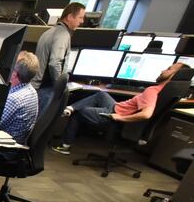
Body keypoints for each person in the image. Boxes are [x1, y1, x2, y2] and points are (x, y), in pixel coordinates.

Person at [52, 62, 189, 155]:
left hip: (115, 115)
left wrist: (120, 117)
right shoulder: (170, 91)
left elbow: (147, 114)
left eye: (169, 69)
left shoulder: (152, 91)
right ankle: (70, 108)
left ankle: (65, 146)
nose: (163, 70)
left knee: (80, 113)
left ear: (174, 75)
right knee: (101, 94)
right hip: (118, 107)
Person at [31, 2, 85, 112]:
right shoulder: (63, 35)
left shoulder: (49, 32)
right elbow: (55, 63)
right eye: (80, 17)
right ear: (70, 17)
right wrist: (60, 89)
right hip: (46, 89)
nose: (82, 21)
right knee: (41, 125)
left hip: (36, 87)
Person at [0, 51, 40, 145]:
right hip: (16, 145)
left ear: (14, 75)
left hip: (2, 151)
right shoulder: (31, 91)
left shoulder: (14, 99)